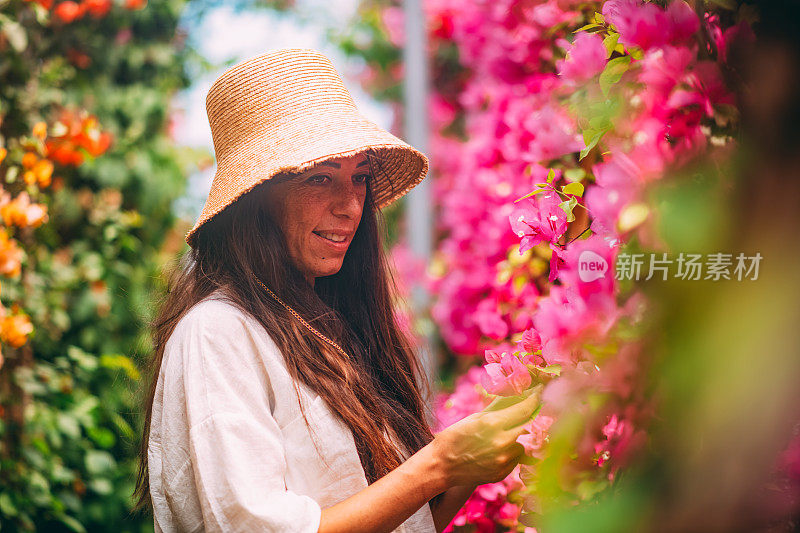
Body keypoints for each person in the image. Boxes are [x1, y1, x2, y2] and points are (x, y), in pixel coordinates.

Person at [133, 49, 540, 533]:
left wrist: (466, 465)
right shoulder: (217, 332)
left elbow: (403, 523)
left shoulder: (329, 329)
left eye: (360, 177)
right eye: (320, 177)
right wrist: (438, 465)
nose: (350, 205)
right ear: (254, 201)